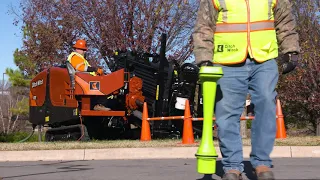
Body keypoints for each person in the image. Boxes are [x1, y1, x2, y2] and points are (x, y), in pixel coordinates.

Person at [192, 0, 300, 180]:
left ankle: (261, 162)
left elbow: (285, 21)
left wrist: (290, 49)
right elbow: (204, 26)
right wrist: (204, 57)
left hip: (264, 58)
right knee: (226, 114)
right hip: (226, 60)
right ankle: (232, 166)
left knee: (266, 104)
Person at [68, 39, 111, 111]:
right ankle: (98, 105)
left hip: (84, 81)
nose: (84, 51)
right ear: (78, 49)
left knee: (104, 83)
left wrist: (97, 74)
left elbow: (87, 71)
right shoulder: (75, 57)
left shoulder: (79, 58)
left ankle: (99, 104)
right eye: (83, 49)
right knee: (104, 86)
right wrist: (95, 69)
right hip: (80, 82)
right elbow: (81, 68)